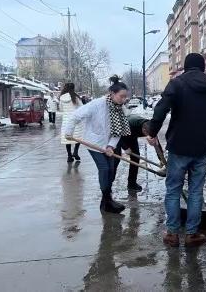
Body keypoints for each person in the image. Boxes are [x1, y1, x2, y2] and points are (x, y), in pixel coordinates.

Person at [147, 53, 206, 247]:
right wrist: (203, 131)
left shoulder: (177, 84)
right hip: (201, 147)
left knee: (173, 189)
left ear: (186, 67)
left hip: (178, 146)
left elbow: (161, 109)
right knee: (196, 191)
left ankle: (172, 233)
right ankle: (192, 234)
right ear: (202, 67)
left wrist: (152, 131)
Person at [65, 76, 131, 214]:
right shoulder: (96, 104)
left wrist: (111, 146)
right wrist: (68, 132)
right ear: (112, 94)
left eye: (125, 97)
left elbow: (118, 132)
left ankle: (106, 201)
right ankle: (107, 202)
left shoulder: (119, 109)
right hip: (93, 142)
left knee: (111, 170)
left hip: (108, 144)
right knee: (105, 169)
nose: (124, 100)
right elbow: (75, 116)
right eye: (121, 96)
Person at [114, 115, 151, 192]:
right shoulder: (129, 124)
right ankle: (108, 184)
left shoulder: (151, 126)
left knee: (136, 157)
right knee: (116, 158)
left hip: (132, 135)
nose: (146, 136)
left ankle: (132, 183)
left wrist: (161, 160)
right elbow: (117, 136)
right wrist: (125, 147)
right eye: (145, 133)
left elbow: (156, 144)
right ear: (142, 129)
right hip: (117, 135)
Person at [60, 83, 83, 163]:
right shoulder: (76, 97)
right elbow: (82, 108)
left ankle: (69, 156)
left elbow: (60, 108)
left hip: (66, 121)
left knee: (68, 138)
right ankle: (75, 152)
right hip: (75, 120)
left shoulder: (62, 98)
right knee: (78, 137)